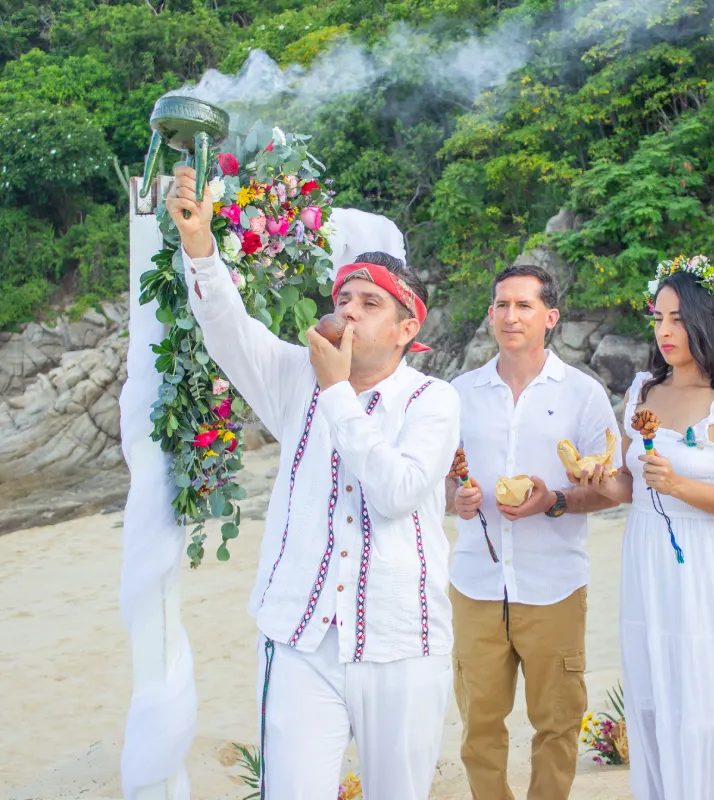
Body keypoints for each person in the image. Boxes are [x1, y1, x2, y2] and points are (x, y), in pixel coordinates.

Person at [165, 165, 461, 799]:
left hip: (401, 642)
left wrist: (338, 394)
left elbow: (397, 491)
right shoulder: (296, 376)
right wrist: (200, 247)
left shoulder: (432, 400)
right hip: (299, 639)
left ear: (407, 330)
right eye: (343, 299)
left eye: (369, 304)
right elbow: (228, 330)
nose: (348, 313)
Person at [572, 256, 714, 798]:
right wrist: (594, 477)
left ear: (709, 321)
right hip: (648, 559)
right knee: (658, 691)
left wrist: (680, 485)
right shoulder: (642, 392)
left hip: (708, 563)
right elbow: (626, 486)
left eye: (678, 319)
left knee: (708, 691)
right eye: (657, 318)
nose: (664, 331)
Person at [447, 263, 621, 800]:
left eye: (523, 305)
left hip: (555, 587)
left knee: (558, 724)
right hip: (476, 583)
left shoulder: (583, 394)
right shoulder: (457, 394)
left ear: (550, 316)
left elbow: (615, 487)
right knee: (479, 728)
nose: (510, 315)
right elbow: (436, 485)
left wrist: (555, 501)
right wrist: (458, 499)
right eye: (501, 304)